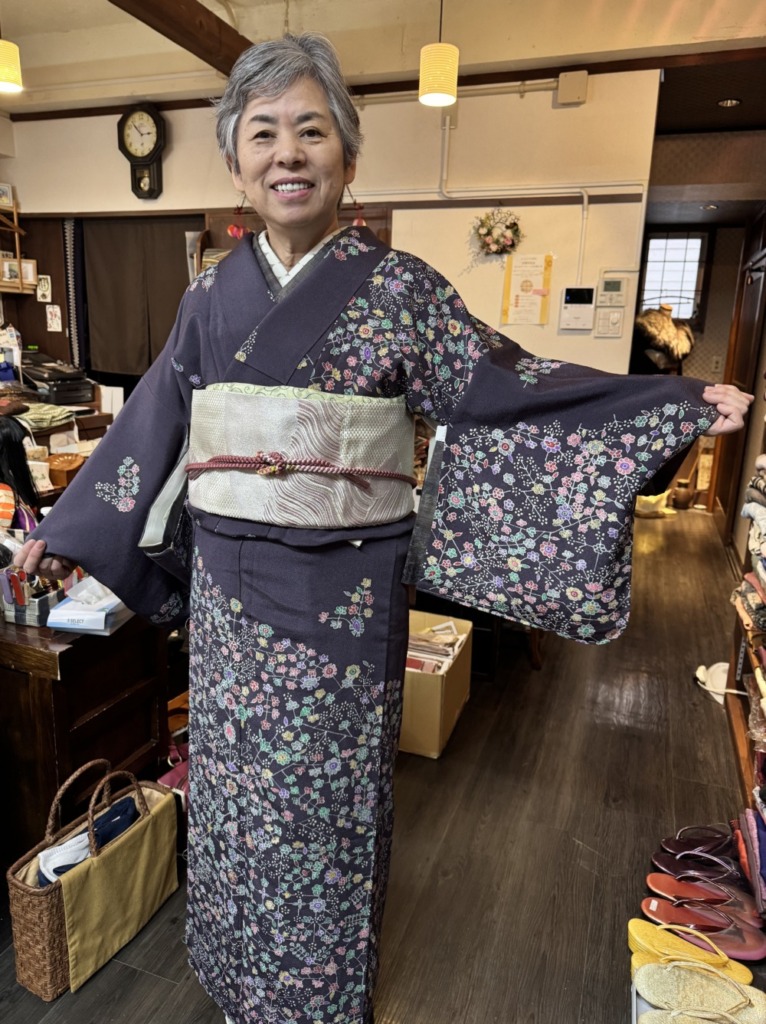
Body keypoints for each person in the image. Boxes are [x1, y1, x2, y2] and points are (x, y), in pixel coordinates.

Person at [17, 33, 753, 1024]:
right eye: (263, 133)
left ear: (349, 156)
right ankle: (240, 984)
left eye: (311, 130)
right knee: (233, 802)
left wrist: (665, 401)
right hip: (229, 607)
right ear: (234, 161)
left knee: (325, 813)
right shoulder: (208, 298)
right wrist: (69, 524)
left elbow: (504, 387)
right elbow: (155, 418)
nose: (287, 153)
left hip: (341, 605)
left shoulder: (401, 290)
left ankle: (321, 1001)